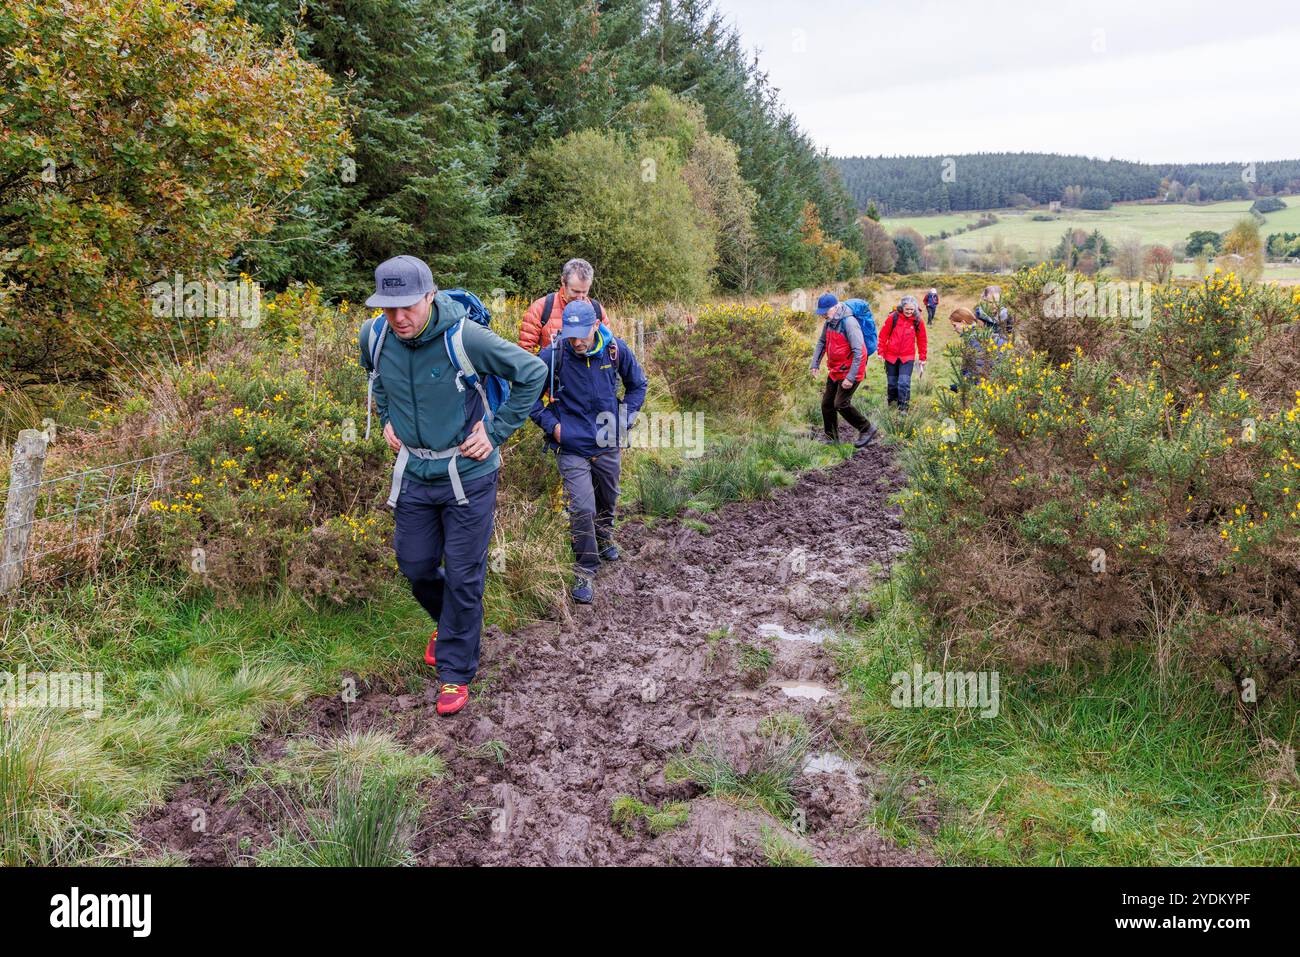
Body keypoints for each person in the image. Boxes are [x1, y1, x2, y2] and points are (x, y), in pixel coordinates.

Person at [361, 255, 547, 717]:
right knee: (415, 565)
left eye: (408, 306)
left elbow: (532, 372)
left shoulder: (464, 337)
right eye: (389, 307)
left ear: (430, 296)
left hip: (469, 475)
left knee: (465, 575)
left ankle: (455, 672)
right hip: (416, 475)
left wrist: (496, 431)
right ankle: (450, 625)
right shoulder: (375, 336)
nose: (398, 317)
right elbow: (378, 382)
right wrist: (386, 419)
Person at [531, 300, 647, 604]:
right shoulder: (553, 355)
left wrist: (623, 420)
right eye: (572, 334)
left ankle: (604, 534)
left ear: (596, 325)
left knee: (609, 497)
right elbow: (527, 398)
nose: (577, 341)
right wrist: (553, 427)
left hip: (608, 442)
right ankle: (585, 568)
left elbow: (638, 386)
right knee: (582, 506)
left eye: (583, 333)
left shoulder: (615, 350)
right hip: (571, 447)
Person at [809, 292, 877, 448]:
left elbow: (860, 352)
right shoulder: (830, 321)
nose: (823, 315)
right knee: (827, 404)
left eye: (825, 312)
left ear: (835, 307)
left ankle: (866, 428)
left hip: (851, 371)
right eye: (822, 312)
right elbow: (821, 342)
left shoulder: (849, 322)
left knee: (840, 403)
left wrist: (850, 378)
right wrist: (815, 364)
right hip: (835, 370)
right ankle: (831, 438)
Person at [518, 258, 610, 353]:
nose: (580, 297)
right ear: (563, 281)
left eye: (584, 292)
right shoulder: (541, 308)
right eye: (575, 291)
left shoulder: (597, 310)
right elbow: (525, 352)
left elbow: (607, 347)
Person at [878, 294, 928, 414]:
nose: (909, 312)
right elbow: (883, 335)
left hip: (907, 357)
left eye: (912, 309)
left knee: (904, 383)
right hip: (891, 356)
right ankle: (892, 403)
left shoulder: (917, 320)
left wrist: (922, 357)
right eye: (907, 309)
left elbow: (922, 339)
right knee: (892, 384)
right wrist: (881, 352)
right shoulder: (893, 317)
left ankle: (903, 408)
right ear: (902, 307)